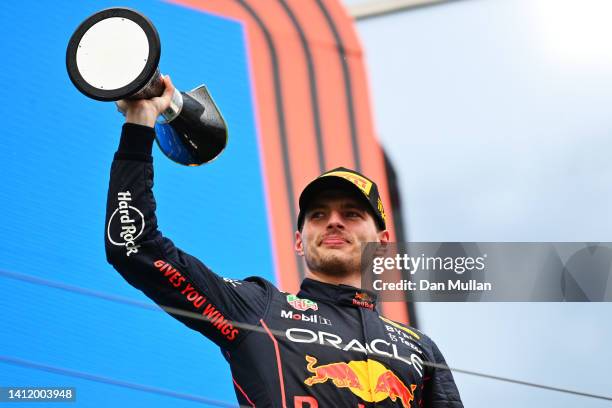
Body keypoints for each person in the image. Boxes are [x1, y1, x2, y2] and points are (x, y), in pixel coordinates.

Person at [105, 75, 463, 407]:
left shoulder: (419, 348)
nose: (334, 223)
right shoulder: (257, 309)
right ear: (299, 240)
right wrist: (139, 122)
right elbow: (133, 245)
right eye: (318, 215)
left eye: (352, 214)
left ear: (382, 242)